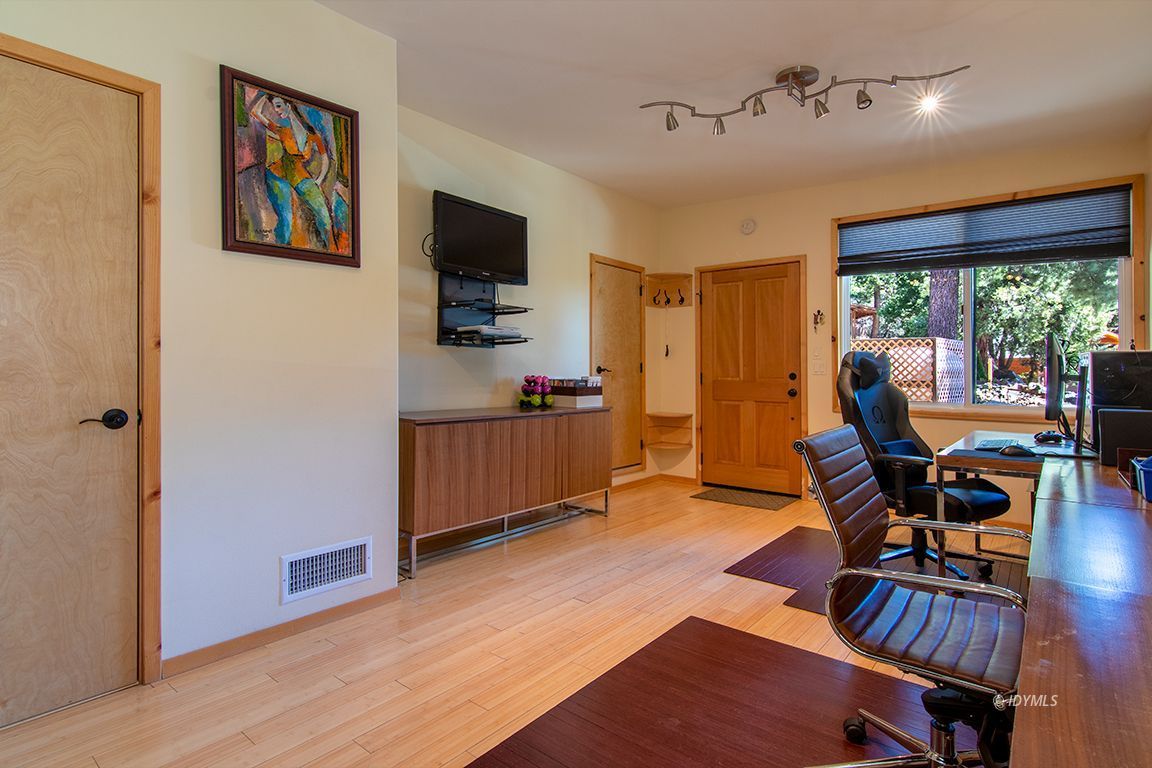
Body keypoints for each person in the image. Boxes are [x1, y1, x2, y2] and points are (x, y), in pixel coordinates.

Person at [248, 92, 335, 250]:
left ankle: (332, 252)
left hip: (300, 176)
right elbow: (256, 112)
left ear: (289, 105)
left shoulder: (312, 136)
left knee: (324, 215)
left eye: (279, 106)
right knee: (286, 220)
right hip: (277, 175)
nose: (277, 111)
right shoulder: (283, 131)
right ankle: (281, 252)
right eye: (275, 107)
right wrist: (265, 94)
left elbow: (325, 159)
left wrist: (319, 179)